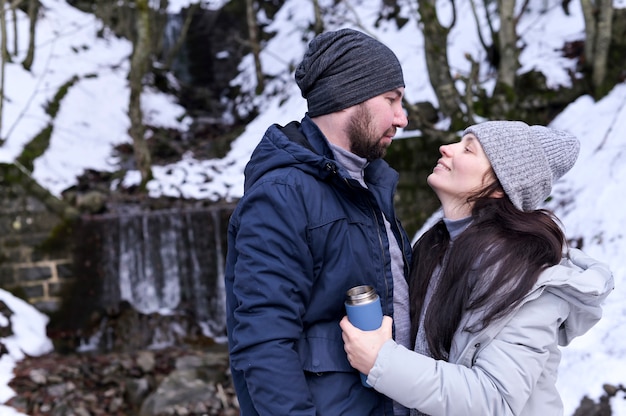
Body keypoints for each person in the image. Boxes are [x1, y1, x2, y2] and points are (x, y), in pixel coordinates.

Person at [340, 120, 614, 415]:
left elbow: (495, 398)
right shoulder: (437, 246)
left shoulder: (525, 279)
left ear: (498, 187)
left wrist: (382, 361)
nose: (446, 148)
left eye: (468, 150)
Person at [224, 28, 414, 415]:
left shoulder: (368, 184)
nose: (402, 118)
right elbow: (263, 342)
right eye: (391, 99)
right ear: (348, 97)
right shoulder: (283, 196)